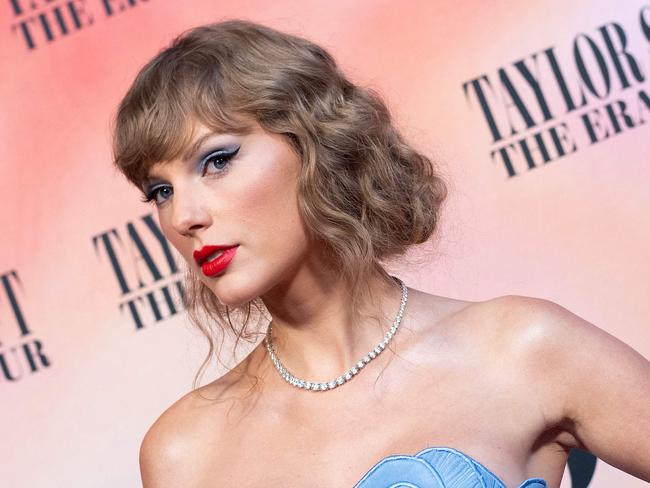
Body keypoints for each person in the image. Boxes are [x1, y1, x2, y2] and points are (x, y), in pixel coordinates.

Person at [111, 19, 650, 488]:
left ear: (315, 145)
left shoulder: (521, 349)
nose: (183, 217)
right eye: (161, 192)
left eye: (217, 161)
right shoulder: (183, 452)